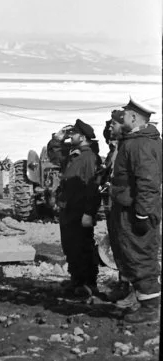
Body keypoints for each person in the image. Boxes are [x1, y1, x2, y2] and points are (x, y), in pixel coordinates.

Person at [109, 98, 161, 325]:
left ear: (133, 118)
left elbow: (147, 182)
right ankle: (143, 301)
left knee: (140, 256)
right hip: (131, 208)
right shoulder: (137, 141)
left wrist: (142, 213)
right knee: (133, 254)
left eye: (126, 115)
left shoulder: (140, 144)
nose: (122, 118)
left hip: (135, 211)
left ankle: (150, 309)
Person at [47, 119, 101, 298]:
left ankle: (88, 284)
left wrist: (88, 212)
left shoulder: (89, 158)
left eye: (73, 134)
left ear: (83, 137)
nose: (70, 137)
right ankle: (76, 280)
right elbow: (55, 156)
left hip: (80, 210)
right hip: (68, 210)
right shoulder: (74, 155)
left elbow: (93, 188)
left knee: (83, 247)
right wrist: (57, 139)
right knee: (70, 247)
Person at [99, 109, 131, 300]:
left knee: (128, 249)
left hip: (125, 206)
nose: (110, 140)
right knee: (118, 247)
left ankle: (130, 290)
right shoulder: (113, 152)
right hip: (112, 206)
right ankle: (123, 284)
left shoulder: (128, 149)